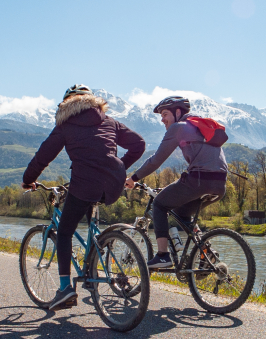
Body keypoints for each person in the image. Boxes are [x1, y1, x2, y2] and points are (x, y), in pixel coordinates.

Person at [22, 85, 146, 310]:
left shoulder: (66, 124)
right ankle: (93, 268)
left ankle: (65, 289)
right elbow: (139, 144)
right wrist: (117, 168)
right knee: (92, 221)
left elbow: (43, 155)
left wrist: (28, 178)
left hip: (84, 183)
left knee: (65, 232)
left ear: (67, 104)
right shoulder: (109, 121)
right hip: (112, 184)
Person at [125, 96, 228, 269]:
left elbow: (156, 160)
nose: (162, 120)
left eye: (165, 114)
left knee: (159, 205)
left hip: (199, 180)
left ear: (178, 112)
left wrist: (133, 178)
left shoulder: (178, 128)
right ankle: (205, 253)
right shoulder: (200, 126)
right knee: (182, 214)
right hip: (220, 184)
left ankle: (163, 256)